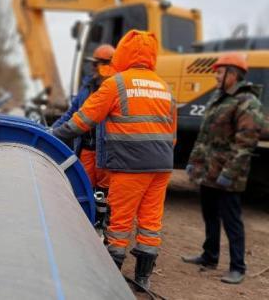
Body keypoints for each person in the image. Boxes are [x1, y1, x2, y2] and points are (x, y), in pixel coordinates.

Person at [53, 30, 176, 290]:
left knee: (119, 223)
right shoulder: (165, 87)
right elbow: (173, 135)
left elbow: (84, 120)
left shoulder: (116, 84)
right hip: (162, 165)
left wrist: (54, 135)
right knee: (151, 222)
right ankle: (143, 280)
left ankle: (109, 283)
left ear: (123, 53)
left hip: (131, 165)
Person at [182, 52, 263, 284]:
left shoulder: (247, 102)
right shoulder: (218, 98)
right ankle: (209, 256)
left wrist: (229, 173)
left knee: (231, 220)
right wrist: (194, 161)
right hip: (209, 170)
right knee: (209, 214)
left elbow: (245, 144)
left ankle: (238, 267)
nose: (215, 76)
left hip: (228, 173)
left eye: (219, 72)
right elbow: (204, 137)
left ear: (233, 74)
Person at [52, 44, 115, 232]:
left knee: (104, 192)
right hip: (87, 147)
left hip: (107, 149)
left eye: (98, 64)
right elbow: (73, 112)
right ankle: (84, 224)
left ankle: (102, 225)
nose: (94, 68)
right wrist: (53, 131)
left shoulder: (114, 87)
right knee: (84, 186)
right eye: (94, 64)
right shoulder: (88, 85)